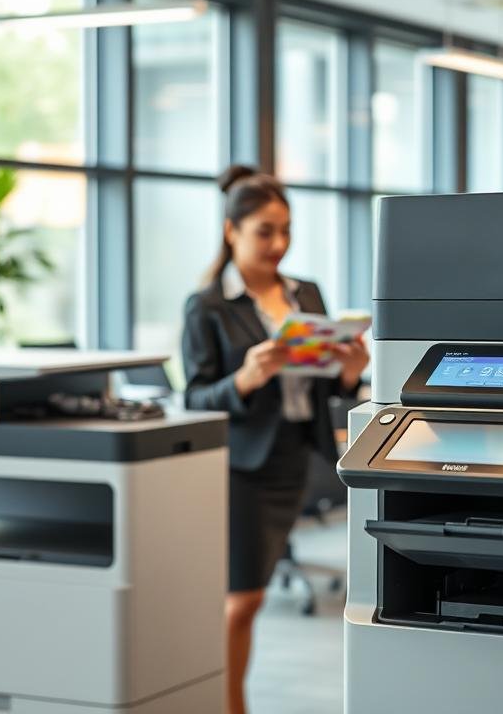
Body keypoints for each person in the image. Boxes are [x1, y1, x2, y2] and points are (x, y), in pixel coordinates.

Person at [181, 164, 368, 714]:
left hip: (298, 454)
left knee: (247, 596)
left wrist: (352, 369)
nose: (278, 244)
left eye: (285, 230)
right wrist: (246, 377)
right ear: (231, 230)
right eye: (265, 231)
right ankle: (229, 705)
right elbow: (194, 397)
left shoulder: (305, 292)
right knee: (243, 600)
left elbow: (330, 379)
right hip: (241, 464)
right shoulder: (209, 306)